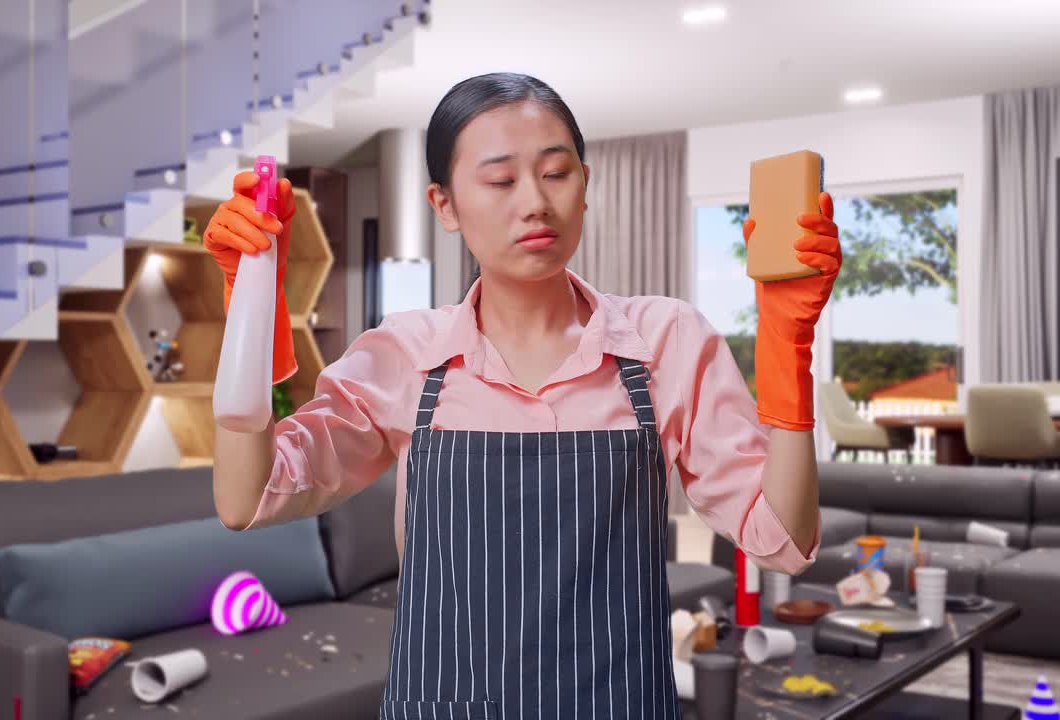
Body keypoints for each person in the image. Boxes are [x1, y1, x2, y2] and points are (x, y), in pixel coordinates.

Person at [203, 72, 841, 719]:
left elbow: (781, 540)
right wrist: (250, 319)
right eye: (501, 180)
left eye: (556, 173)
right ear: (445, 205)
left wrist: (788, 346)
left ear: (585, 186)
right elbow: (246, 497)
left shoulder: (666, 341)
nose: (535, 202)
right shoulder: (404, 354)